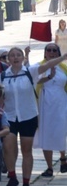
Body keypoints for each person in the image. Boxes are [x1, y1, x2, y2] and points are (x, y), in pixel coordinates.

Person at [0, 46, 67, 186]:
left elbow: (47, 65)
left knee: (26, 150)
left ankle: (26, 183)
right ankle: (12, 176)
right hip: (10, 116)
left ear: (23, 58)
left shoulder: (30, 71)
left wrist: (62, 58)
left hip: (28, 116)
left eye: (18, 55)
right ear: (8, 59)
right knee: (8, 147)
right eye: (12, 55)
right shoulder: (3, 76)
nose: (15, 58)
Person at [33, 44, 67, 177]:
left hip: (61, 101)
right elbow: (35, 80)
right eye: (49, 50)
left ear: (58, 53)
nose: (51, 52)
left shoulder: (64, 68)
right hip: (44, 102)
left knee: (61, 130)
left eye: (54, 50)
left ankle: (63, 158)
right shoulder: (40, 66)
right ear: (45, 53)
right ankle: (49, 167)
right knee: (45, 132)